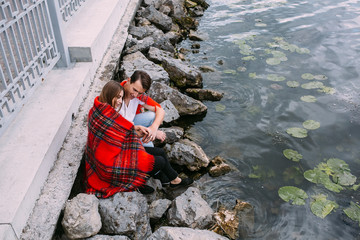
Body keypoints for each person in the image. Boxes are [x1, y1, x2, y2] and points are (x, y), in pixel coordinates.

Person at [84, 80, 192, 198]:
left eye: (121, 97)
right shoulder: (106, 116)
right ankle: (136, 183)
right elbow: (118, 134)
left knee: (160, 152)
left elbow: (119, 132)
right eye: (118, 97)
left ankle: (174, 180)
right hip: (109, 165)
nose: (120, 101)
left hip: (116, 152)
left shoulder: (100, 109)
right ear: (109, 95)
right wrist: (136, 132)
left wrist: (137, 129)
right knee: (158, 161)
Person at [119, 70, 166, 147]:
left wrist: (153, 129)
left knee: (152, 115)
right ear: (129, 80)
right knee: (150, 147)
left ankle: (149, 134)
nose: (135, 95)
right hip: (121, 130)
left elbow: (160, 111)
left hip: (132, 123)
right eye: (134, 90)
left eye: (140, 93)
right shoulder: (116, 94)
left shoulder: (139, 95)